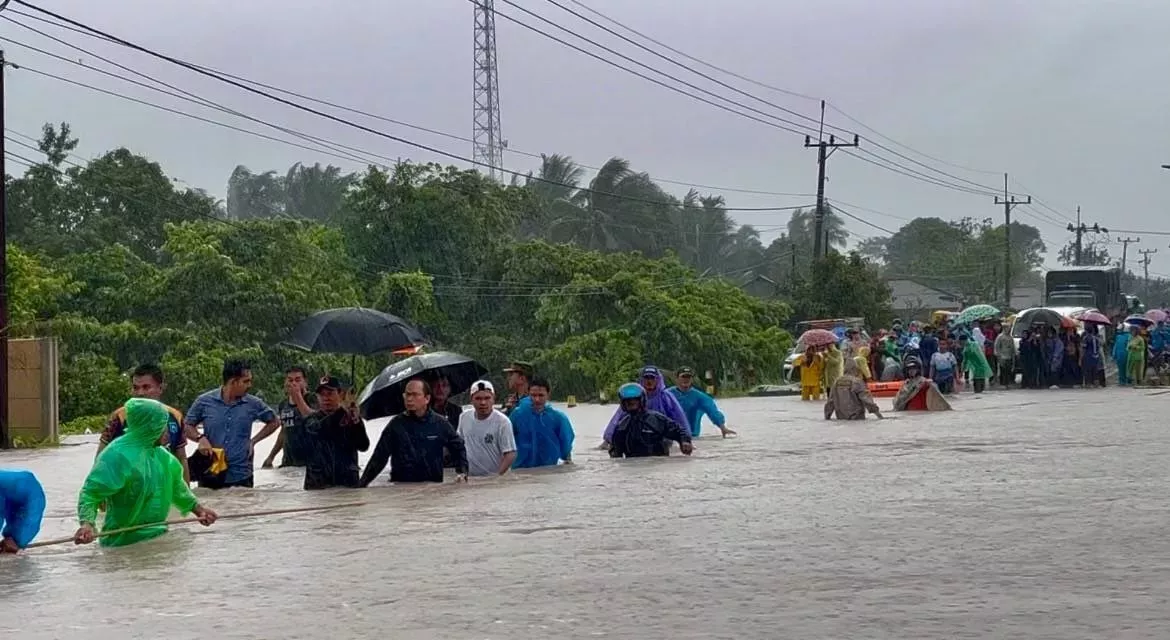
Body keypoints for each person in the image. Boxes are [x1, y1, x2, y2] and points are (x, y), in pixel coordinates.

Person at [74, 399, 218, 547]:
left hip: (158, 536)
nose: (167, 432)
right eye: (162, 426)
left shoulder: (163, 457)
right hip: (121, 543)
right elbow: (91, 494)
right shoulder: (117, 455)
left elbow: (178, 488)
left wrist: (200, 511)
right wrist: (87, 525)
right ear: (149, 427)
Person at [184, 358, 280, 490]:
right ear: (233, 382)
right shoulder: (204, 402)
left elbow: (274, 422)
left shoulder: (253, 403)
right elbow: (186, 426)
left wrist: (253, 441)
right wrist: (200, 438)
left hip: (241, 475)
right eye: (246, 381)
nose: (250, 385)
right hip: (210, 473)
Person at [359, 379, 469, 485]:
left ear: (427, 398)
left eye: (415, 395)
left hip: (433, 488)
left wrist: (462, 472)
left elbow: (458, 447)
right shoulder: (395, 425)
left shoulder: (440, 423)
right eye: (407, 395)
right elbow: (378, 458)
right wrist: (362, 484)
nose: (409, 399)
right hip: (401, 487)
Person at [97, 364, 191, 483]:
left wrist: (186, 491)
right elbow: (101, 459)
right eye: (135, 388)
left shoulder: (175, 417)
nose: (140, 393)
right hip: (126, 488)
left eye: (146, 387)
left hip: (164, 489)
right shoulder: (119, 417)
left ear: (160, 388)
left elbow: (181, 458)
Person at [302, 377, 370, 490]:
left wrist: (356, 422)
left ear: (340, 394)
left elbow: (363, 446)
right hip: (318, 485)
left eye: (330, 393)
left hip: (347, 483)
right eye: (322, 395)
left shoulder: (351, 418)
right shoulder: (310, 420)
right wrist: (341, 411)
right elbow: (320, 430)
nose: (326, 398)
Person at [603, 367, 689, 444]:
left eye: (652, 378)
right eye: (646, 378)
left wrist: (686, 439)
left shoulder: (666, 397)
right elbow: (618, 418)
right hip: (637, 435)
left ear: (657, 380)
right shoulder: (633, 397)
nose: (649, 381)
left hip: (661, 437)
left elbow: (679, 417)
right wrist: (608, 440)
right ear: (642, 380)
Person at [608, 383, 694, 458]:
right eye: (627, 401)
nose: (631, 403)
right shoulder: (621, 427)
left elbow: (680, 431)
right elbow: (616, 456)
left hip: (659, 465)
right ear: (623, 404)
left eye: (634, 401)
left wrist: (685, 442)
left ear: (642, 400)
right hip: (633, 467)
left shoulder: (656, 419)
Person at [511, 378, 575, 469]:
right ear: (528, 394)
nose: (537, 399)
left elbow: (566, 444)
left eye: (541, 395)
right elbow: (507, 439)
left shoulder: (558, 418)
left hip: (549, 469)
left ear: (548, 395)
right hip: (520, 469)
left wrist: (568, 462)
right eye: (533, 395)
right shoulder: (517, 415)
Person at [457, 380, 517, 476]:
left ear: (493, 399)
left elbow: (510, 454)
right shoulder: (464, 417)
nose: (483, 402)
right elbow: (459, 446)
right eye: (478, 398)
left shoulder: (503, 422)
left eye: (487, 398)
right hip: (471, 477)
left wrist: (497, 477)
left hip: (495, 477)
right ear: (471, 400)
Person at [262, 366, 316, 469]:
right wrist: (271, 456)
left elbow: (315, 418)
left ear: (305, 382)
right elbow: (284, 432)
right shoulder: (283, 404)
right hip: (289, 463)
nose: (294, 383)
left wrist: (298, 396)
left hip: (310, 463)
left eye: (298, 380)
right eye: (290, 380)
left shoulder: (312, 399)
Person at [668, 367, 736, 438]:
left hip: (692, 436)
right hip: (670, 435)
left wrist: (723, 428)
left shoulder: (700, 397)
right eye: (683, 377)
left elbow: (712, 411)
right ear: (677, 379)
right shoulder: (667, 394)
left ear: (692, 379)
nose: (686, 379)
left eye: (688, 377)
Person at [0, 469, 46, 553]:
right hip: (11, 492)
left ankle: (14, 545)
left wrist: (17, 541)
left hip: (30, 494)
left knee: (17, 539)